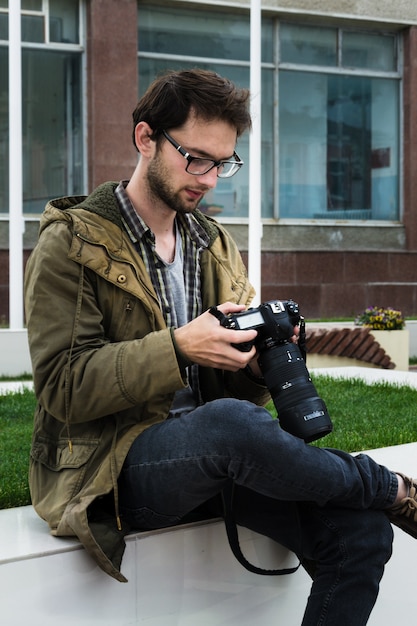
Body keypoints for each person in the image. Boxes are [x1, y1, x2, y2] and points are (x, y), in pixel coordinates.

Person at [24, 68, 417, 625]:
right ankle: (389, 486)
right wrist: (180, 347)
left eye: (223, 162)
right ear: (145, 139)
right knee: (229, 426)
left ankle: (376, 497)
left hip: (213, 456)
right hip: (110, 468)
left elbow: (231, 396)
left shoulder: (213, 243)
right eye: (195, 157)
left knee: (360, 532)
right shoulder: (72, 243)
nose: (209, 179)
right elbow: (62, 388)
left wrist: (254, 367)